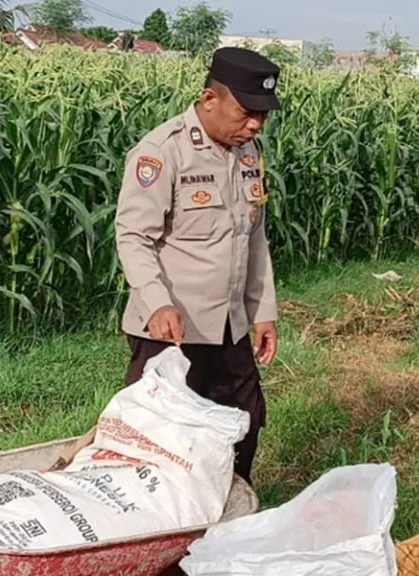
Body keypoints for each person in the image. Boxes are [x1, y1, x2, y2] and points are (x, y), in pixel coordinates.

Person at [113, 47, 284, 485]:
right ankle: (159, 540)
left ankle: (225, 517)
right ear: (209, 100)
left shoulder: (248, 155)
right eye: (246, 113)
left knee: (244, 423)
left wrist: (262, 309)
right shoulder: (161, 152)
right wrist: (155, 303)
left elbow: (254, 238)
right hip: (171, 329)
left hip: (230, 325)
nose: (255, 125)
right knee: (159, 440)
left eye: (262, 116)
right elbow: (134, 236)